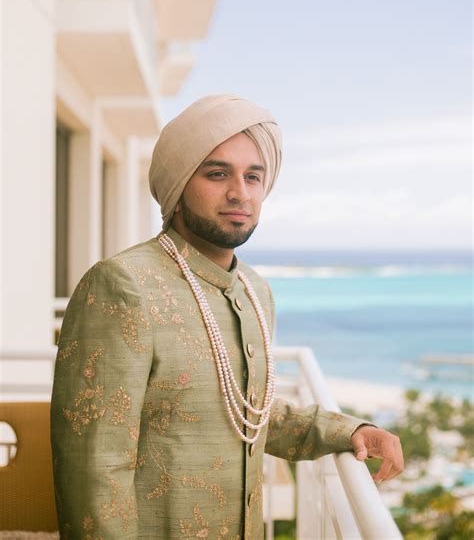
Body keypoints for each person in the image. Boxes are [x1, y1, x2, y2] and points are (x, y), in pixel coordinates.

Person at [51, 94, 403, 540]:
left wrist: (349, 429)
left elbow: (247, 411)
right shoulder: (123, 285)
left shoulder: (254, 290)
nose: (240, 192)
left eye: (253, 177)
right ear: (179, 186)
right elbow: (93, 467)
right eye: (218, 174)